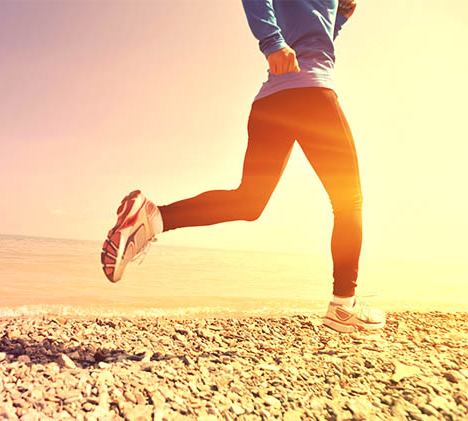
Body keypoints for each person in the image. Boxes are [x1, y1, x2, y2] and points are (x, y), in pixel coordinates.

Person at [100, 0, 385, 333]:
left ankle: (155, 217)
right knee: (348, 201)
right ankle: (343, 306)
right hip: (311, 94)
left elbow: (316, 40)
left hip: (273, 100)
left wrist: (340, 18)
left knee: (249, 202)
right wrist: (272, 43)